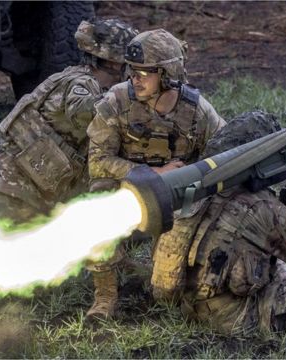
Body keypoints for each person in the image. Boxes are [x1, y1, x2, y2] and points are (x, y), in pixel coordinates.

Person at [150, 111, 286, 335]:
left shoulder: (191, 191)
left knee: (280, 268)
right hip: (235, 319)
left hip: (188, 308)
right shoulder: (260, 207)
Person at [86, 29, 226, 320]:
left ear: (167, 74)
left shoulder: (197, 111)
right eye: (132, 71)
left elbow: (224, 153)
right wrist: (152, 172)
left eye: (145, 73)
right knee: (97, 197)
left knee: (165, 289)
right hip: (126, 193)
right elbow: (99, 161)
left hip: (177, 202)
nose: (135, 79)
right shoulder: (117, 101)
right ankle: (105, 295)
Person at [0, 18, 139, 222]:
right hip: (19, 195)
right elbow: (84, 109)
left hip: (36, 192)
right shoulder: (79, 84)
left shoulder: (82, 79)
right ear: (114, 62)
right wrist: (131, 97)